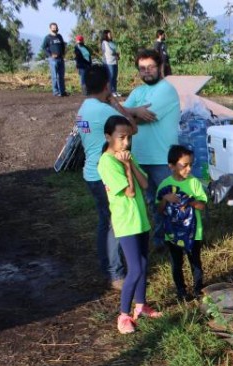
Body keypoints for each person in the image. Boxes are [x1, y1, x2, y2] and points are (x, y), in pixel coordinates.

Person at [76, 65, 139, 290]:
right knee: (115, 224)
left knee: (105, 221)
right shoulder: (105, 111)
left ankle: (107, 266)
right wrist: (116, 103)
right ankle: (116, 274)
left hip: (90, 172)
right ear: (107, 85)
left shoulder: (84, 108)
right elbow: (132, 128)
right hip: (107, 174)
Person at [97, 115, 162, 334]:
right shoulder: (107, 162)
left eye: (129, 138)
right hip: (126, 223)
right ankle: (123, 315)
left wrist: (129, 162)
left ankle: (141, 306)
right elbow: (130, 191)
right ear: (108, 137)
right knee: (135, 268)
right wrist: (126, 165)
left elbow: (144, 183)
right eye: (121, 137)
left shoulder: (126, 156)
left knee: (144, 264)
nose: (126, 142)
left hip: (140, 219)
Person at [123, 49, 180, 250]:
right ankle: (161, 241)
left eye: (151, 67)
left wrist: (131, 114)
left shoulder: (166, 90)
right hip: (141, 158)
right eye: (142, 68)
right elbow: (120, 117)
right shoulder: (138, 92)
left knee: (170, 202)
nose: (146, 72)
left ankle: (177, 241)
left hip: (162, 158)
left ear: (161, 67)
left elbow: (145, 118)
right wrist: (135, 111)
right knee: (153, 203)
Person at [156, 145, 207, 300]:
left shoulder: (194, 183)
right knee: (176, 263)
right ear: (171, 166)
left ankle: (198, 289)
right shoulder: (165, 185)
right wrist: (165, 199)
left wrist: (190, 201)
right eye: (184, 165)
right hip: (172, 234)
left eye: (191, 164)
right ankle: (181, 291)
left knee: (195, 262)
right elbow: (159, 210)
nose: (189, 169)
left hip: (193, 232)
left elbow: (202, 205)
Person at [41, 23, 67, 97]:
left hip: (60, 58)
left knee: (61, 76)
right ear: (50, 28)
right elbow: (43, 47)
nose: (55, 29)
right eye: (53, 28)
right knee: (55, 76)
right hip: (53, 59)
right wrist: (50, 55)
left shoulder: (59, 36)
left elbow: (63, 45)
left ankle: (62, 91)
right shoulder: (48, 37)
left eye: (56, 27)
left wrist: (63, 53)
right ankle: (56, 92)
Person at [101, 30, 120, 97]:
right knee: (110, 77)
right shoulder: (104, 42)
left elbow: (116, 50)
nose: (111, 35)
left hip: (115, 61)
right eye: (109, 34)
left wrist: (117, 54)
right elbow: (109, 52)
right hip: (108, 62)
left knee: (115, 77)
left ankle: (114, 91)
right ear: (106, 35)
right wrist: (116, 53)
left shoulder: (112, 42)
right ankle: (110, 91)